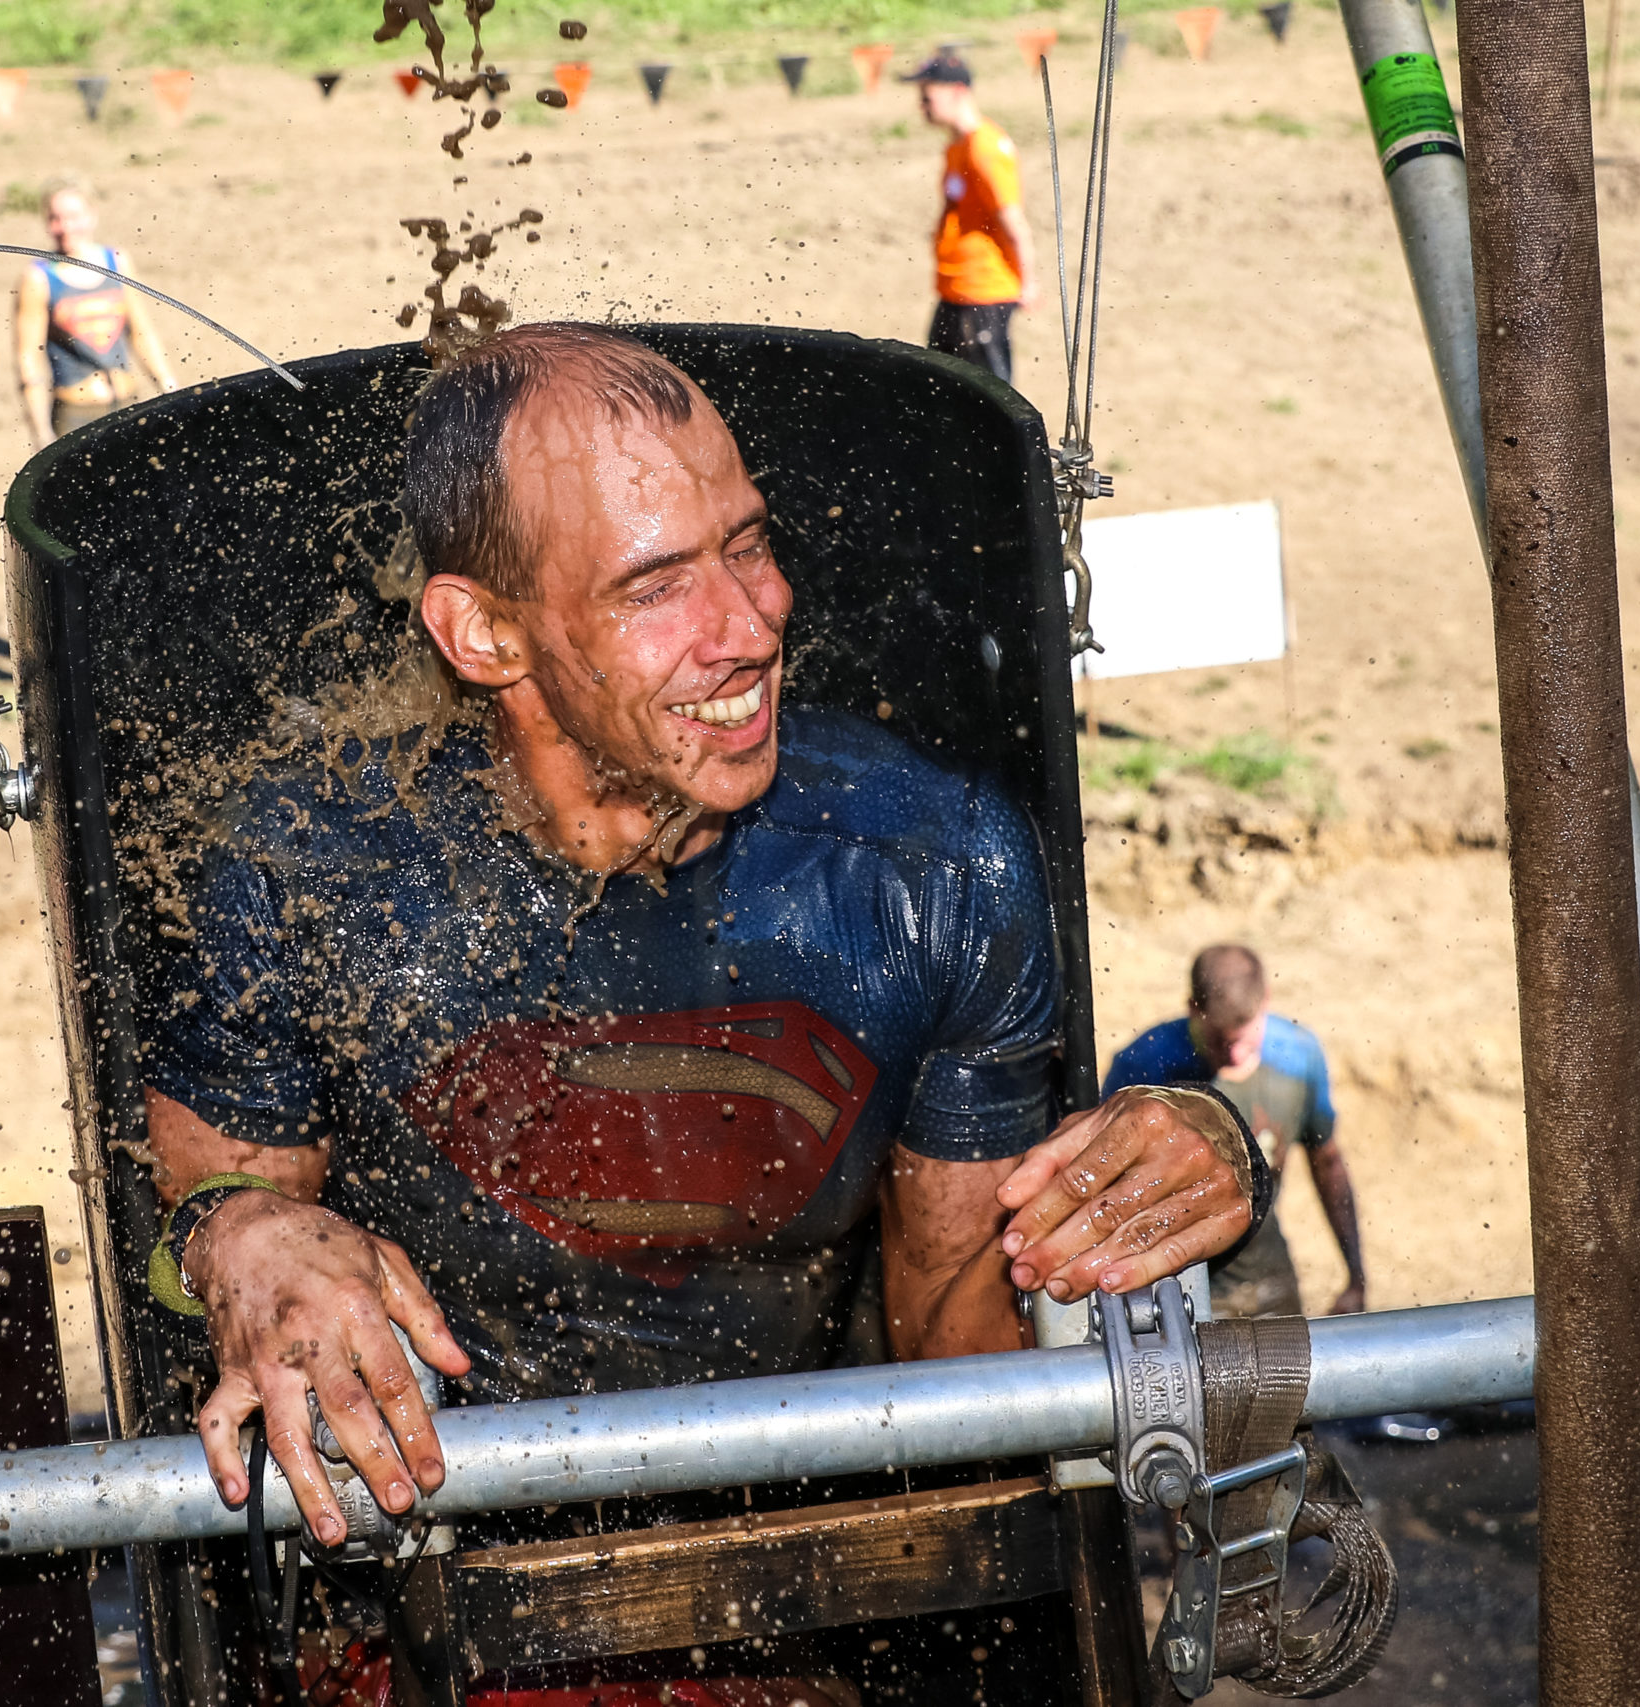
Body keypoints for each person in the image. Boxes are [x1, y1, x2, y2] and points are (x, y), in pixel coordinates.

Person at [130, 322, 1271, 1616]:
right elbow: (193, 1233)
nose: (753, 621)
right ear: (484, 633)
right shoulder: (305, 866)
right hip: (424, 1605)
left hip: (814, 1592)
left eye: (749, 544)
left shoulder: (934, 864)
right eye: (657, 583)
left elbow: (967, 1360)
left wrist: (1199, 1140)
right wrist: (240, 1232)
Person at [1104, 944, 1366, 1320]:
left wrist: (1356, 1278)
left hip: (1269, 1282)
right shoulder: (1144, 1067)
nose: (1234, 1056)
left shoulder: (1298, 1059)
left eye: (1245, 1039)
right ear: (1193, 1008)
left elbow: (1327, 1163)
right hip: (1174, 1292)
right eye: (1220, 1041)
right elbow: (1108, 1189)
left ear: (1266, 1001)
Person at [903, 49, 1035, 386]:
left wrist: (1029, 282)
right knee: (939, 390)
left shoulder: (985, 149)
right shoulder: (958, 145)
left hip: (983, 292)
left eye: (927, 96)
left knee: (989, 399)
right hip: (956, 289)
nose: (922, 106)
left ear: (958, 92)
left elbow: (1013, 219)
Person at [15, 179, 177, 444]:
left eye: (73, 217)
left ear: (92, 215)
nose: (65, 227)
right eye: (55, 218)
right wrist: (41, 431)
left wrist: (169, 390)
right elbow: (28, 358)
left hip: (127, 405)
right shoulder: (38, 278)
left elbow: (141, 333)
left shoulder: (117, 262)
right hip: (75, 415)